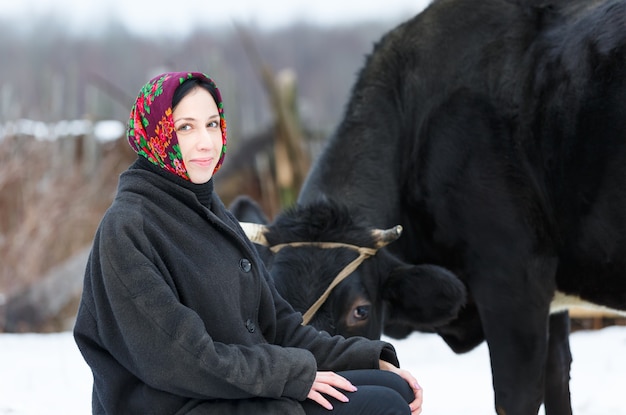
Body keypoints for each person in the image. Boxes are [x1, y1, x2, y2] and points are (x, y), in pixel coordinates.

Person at [73, 71, 423, 415]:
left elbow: (280, 326)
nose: (206, 142)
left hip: (240, 389)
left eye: (212, 124)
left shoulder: (209, 211)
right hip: (184, 404)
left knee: (395, 388)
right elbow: (187, 360)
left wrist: (370, 358)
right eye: (185, 127)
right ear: (155, 135)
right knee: (382, 405)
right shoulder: (128, 229)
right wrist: (293, 375)